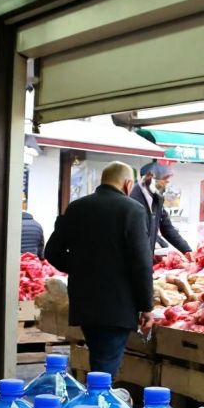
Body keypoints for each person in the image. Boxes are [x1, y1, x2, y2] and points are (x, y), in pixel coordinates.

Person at [44, 162, 154, 377]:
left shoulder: (76, 207)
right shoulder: (132, 209)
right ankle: (98, 407)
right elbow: (141, 262)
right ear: (128, 183)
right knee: (104, 370)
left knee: (100, 359)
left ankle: (97, 403)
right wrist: (146, 305)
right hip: (118, 305)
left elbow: (52, 252)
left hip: (84, 303)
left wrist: (81, 268)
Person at [130, 160, 192, 255]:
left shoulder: (157, 199)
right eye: (164, 179)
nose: (166, 183)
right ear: (150, 178)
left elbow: (167, 228)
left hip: (146, 258)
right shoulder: (132, 198)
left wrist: (186, 250)